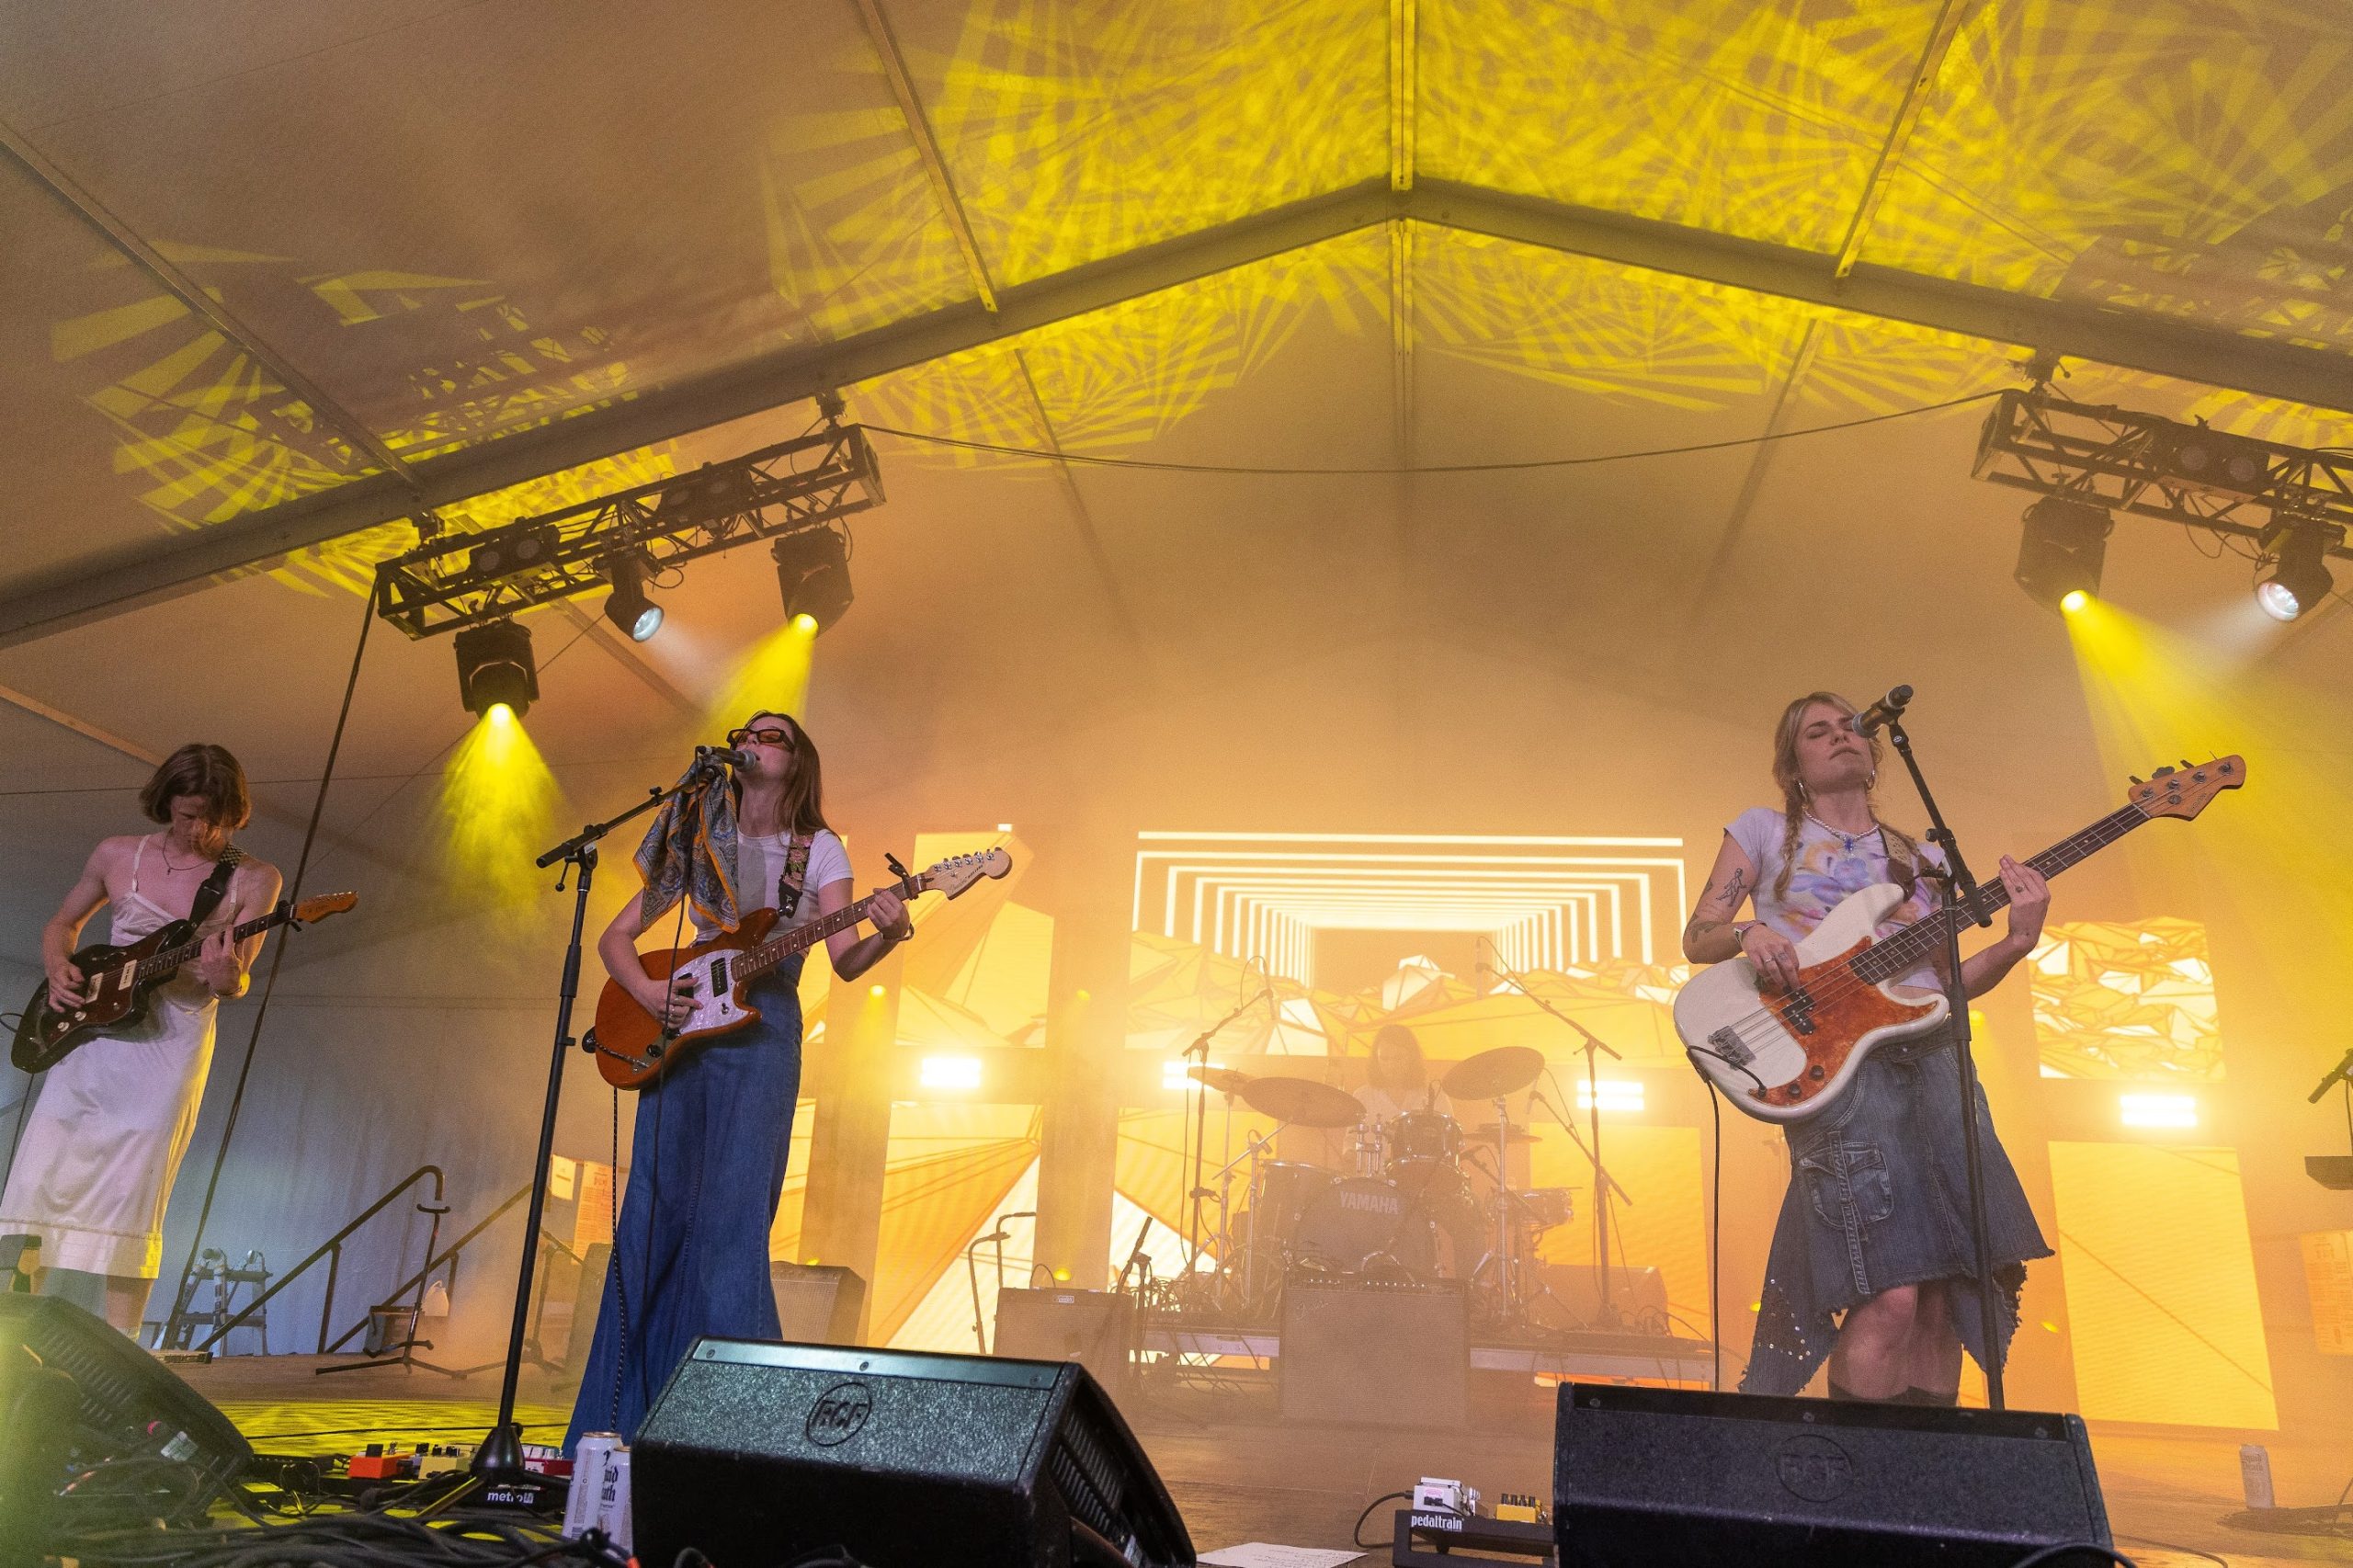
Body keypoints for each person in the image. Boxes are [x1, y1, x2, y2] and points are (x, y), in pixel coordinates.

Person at [1681, 691, 2052, 1404]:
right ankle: (1856, 1475)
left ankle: (1922, 1486)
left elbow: (1947, 987)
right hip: (1833, 1066)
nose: (1840, 738)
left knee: (1944, 1292)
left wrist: (2015, 942)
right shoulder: (1764, 832)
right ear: (1793, 766)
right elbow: (1698, 935)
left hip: (1935, 1060)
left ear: (1876, 751)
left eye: (1850, 727)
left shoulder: (1920, 857)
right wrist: (1749, 934)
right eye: (1817, 733)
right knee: (1892, 1295)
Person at [566, 710, 909, 1447]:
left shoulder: (820, 849)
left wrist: (888, 929)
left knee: (730, 1226)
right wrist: (651, 993)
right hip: (681, 1028)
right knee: (650, 1220)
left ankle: (738, 1434)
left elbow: (845, 961)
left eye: (771, 735)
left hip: (765, 1033)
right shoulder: (697, 836)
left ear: (798, 762)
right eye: (746, 733)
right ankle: (613, 1427)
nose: (751, 741)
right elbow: (615, 937)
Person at [0, 744, 280, 1335]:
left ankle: (125, 1349)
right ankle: (17, 1335)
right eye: (187, 814)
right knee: (40, 1180)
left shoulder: (254, 878)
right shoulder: (116, 853)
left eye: (215, 818)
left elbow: (235, 978)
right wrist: (58, 967)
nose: (200, 830)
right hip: (94, 1031)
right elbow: (63, 925)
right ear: (166, 804)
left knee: (136, 1190)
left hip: (171, 1038)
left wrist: (229, 976)